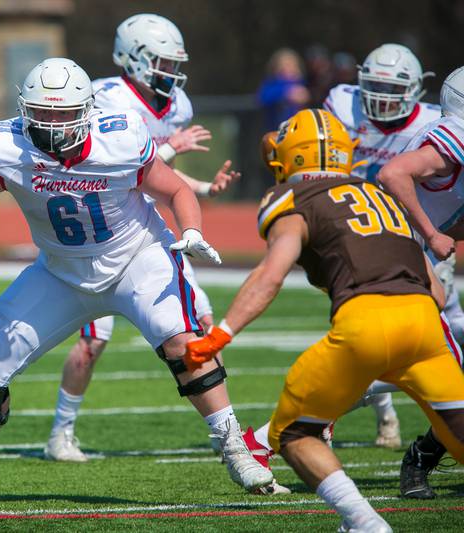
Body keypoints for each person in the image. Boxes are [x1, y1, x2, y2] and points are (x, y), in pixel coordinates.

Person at [0, 57, 277, 502]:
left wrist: (192, 230)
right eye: (41, 112)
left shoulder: (119, 139)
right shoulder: (9, 145)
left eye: (62, 112)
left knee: (180, 341)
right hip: (62, 271)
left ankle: (235, 447)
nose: (51, 123)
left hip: (137, 258)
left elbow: (175, 189)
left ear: (87, 110)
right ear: (25, 109)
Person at [184, 108, 464, 533]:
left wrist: (221, 334)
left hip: (364, 325)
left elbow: (269, 276)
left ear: (292, 157)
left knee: (293, 435)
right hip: (426, 327)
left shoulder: (292, 199)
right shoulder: (381, 195)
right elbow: (439, 294)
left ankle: (364, 522)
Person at [41, 13, 277, 494]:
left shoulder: (176, 105)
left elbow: (154, 175)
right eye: (162, 61)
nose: (171, 71)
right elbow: (109, 167)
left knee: (197, 326)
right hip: (98, 229)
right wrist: (169, 149)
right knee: (93, 340)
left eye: (174, 63)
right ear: (133, 58)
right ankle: (59, 433)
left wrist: (204, 186)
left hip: (146, 228)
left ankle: (226, 433)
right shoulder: (104, 98)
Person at [244, 44, 443, 456]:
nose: (382, 98)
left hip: (407, 237)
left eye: (392, 89)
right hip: (355, 232)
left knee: (403, 339)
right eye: (374, 87)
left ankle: (315, 416)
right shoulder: (342, 103)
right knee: (393, 337)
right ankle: (325, 417)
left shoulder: (432, 123)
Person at [377, 65, 464, 499]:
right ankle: (275, 435)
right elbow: (393, 174)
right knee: (424, 363)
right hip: (397, 256)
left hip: (410, 253)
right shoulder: (453, 135)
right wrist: (432, 235)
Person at [257, 48, 310, 132]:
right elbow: (262, 98)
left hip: (298, 131)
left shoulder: (301, 83)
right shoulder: (272, 83)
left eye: (292, 65)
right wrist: (286, 93)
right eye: (284, 65)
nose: (288, 68)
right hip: (276, 130)